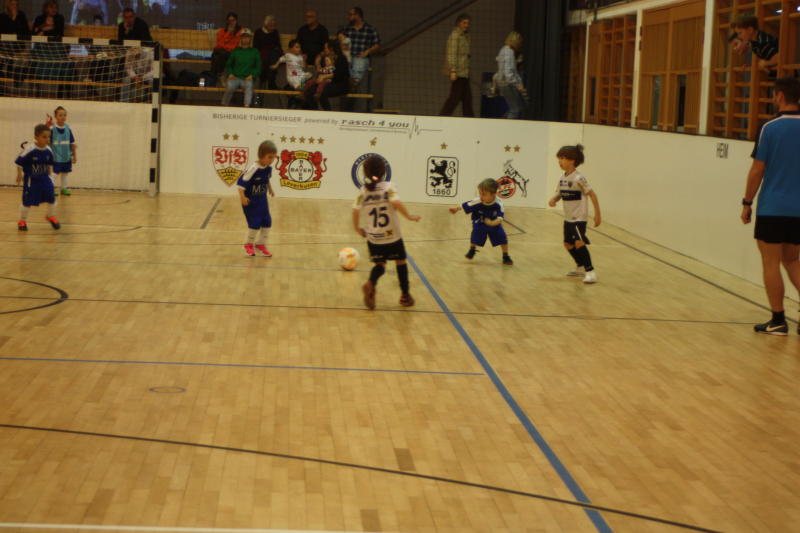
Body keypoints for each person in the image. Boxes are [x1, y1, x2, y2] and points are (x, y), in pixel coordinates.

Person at [741, 77, 800, 335]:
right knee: (793, 260)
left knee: (771, 263)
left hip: (773, 208)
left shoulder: (769, 127)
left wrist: (747, 202)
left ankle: (778, 320)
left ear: (780, 96)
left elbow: (758, 169)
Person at [353, 155, 421, 309]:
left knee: (380, 265)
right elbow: (395, 202)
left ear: (365, 173)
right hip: (392, 236)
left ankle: (371, 282)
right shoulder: (389, 187)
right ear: (384, 172)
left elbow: (355, 210)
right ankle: (405, 296)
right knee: (400, 261)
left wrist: (357, 228)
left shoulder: (363, 191)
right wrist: (409, 216)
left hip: (374, 238)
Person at [548, 144, 601, 284]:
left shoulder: (579, 178)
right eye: (559, 159)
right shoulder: (562, 178)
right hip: (568, 218)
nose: (559, 162)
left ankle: (590, 272)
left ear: (572, 160)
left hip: (579, 218)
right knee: (567, 244)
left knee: (579, 242)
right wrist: (554, 199)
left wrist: (597, 215)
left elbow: (592, 195)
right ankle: (580, 266)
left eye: (562, 158)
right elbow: (560, 193)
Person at [449, 178, 513, 265]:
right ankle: (472, 249)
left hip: (494, 222)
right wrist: (456, 208)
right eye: (480, 193)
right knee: (476, 233)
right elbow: (465, 204)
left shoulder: (499, 204)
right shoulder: (478, 201)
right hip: (480, 221)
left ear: (493, 194)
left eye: (484, 194)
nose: (481, 196)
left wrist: (492, 223)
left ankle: (506, 256)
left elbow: (500, 218)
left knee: (502, 236)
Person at [15, 124, 60, 231]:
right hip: (31, 180)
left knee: (52, 198)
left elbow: (49, 164)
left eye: (49, 137)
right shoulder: (30, 149)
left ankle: (50, 216)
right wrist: (19, 174)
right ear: (36, 137)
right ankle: (22, 221)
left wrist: (50, 177)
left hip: (44, 178)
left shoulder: (48, 150)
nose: (47, 139)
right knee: (27, 202)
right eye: (44, 137)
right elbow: (19, 163)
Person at [237, 140, 277, 257]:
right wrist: (242, 197)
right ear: (261, 155)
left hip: (262, 200)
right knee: (255, 223)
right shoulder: (253, 169)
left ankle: (260, 244)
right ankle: (248, 245)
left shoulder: (268, 168)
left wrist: (270, 189)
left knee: (267, 222)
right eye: (269, 157)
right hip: (251, 201)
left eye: (273, 157)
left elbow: (266, 179)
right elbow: (240, 184)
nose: (272, 160)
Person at [341, 6, 380, 110]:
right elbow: (341, 41)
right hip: (348, 57)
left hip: (361, 57)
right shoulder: (346, 29)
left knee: (359, 64)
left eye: (351, 14)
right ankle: (350, 86)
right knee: (342, 65)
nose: (348, 17)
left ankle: (353, 84)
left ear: (358, 15)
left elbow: (377, 45)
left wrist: (367, 52)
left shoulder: (370, 29)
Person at [439, 13, 473, 117]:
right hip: (458, 72)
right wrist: (453, 70)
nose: (467, 25)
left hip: (464, 73)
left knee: (467, 98)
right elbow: (451, 54)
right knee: (455, 98)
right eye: (464, 23)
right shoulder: (455, 36)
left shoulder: (466, 36)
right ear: (459, 23)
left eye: (468, 23)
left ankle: (470, 119)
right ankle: (443, 117)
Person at [303, 38, 349, 110]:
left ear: (331, 49)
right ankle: (314, 110)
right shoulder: (326, 57)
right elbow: (320, 70)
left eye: (326, 48)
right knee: (310, 90)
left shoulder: (341, 58)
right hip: (328, 82)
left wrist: (324, 76)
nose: (324, 50)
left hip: (340, 85)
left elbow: (339, 75)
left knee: (322, 92)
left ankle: (327, 112)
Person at [222, 31, 261, 108]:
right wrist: (230, 73)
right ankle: (224, 105)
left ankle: (246, 106)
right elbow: (229, 64)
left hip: (247, 78)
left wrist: (252, 75)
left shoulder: (255, 51)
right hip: (235, 77)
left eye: (247, 37)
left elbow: (258, 66)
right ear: (241, 39)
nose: (245, 39)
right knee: (229, 86)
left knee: (249, 86)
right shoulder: (235, 51)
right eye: (243, 37)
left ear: (250, 39)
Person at [494, 31, 527, 119]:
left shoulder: (503, 50)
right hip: (507, 84)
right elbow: (508, 72)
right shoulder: (509, 52)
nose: (519, 45)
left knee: (513, 108)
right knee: (515, 109)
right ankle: (507, 126)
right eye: (519, 43)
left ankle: (503, 122)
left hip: (503, 83)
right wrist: (517, 85)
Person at [50, 106, 76, 196]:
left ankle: (64, 188)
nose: (63, 117)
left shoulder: (68, 128)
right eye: (60, 115)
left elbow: (72, 143)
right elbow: (48, 143)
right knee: (55, 173)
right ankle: (50, 189)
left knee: (65, 173)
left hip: (66, 156)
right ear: (55, 116)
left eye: (64, 115)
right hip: (56, 156)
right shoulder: (52, 129)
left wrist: (74, 155)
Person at [253, 15, 282, 90]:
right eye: (270, 25)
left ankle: (270, 80)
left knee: (274, 55)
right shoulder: (258, 32)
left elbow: (278, 45)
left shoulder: (275, 32)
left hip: (273, 53)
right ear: (266, 25)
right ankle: (267, 79)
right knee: (264, 57)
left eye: (273, 25)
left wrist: (279, 51)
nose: (272, 27)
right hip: (262, 52)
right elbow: (255, 46)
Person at [211, 12, 242, 80]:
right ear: (227, 22)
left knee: (217, 55)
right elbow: (219, 44)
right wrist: (228, 33)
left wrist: (226, 47)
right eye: (229, 21)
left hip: (233, 53)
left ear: (236, 21)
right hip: (223, 52)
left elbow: (236, 46)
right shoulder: (222, 31)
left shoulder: (240, 32)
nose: (231, 23)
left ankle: (215, 75)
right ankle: (219, 74)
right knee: (217, 55)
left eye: (233, 20)